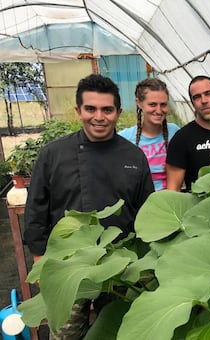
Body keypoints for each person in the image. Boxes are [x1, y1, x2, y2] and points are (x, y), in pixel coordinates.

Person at [24, 73, 154, 339]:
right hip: (67, 265)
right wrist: (39, 260)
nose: (99, 117)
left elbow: (146, 212)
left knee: (115, 331)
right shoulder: (54, 154)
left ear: (118, 112)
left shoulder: (133, 156)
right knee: (66, 333)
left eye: (107, 109)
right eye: (90, 109)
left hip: (118, 262)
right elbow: (36, 208)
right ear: (78, 111)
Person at [118, 78, 180, 191]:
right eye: (152, 104)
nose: (159, 110)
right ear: (139, 103)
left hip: (170, 203)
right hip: (139, 205)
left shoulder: (176, 133)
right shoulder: (124, 138)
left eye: (163, 105)